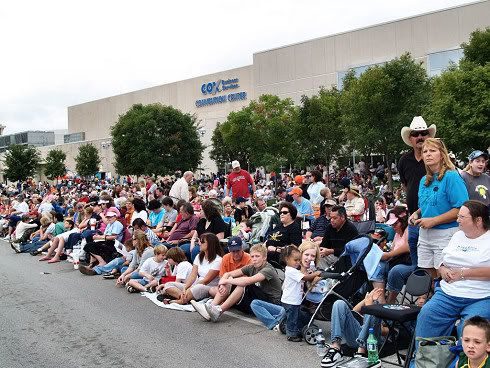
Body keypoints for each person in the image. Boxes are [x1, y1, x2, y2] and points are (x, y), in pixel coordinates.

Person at [414, 200, 490, 352]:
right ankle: (426, 361)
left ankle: (463, 363)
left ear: (478, 220)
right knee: (427, 315)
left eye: (462, 217)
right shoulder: (457, 236)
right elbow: (444, 261)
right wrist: (441, 269)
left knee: (469, 328)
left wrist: (464, 273)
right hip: (448, 293)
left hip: (480, 296)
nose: (457, 220)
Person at [408, 138, 469, 278]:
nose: (428, 154)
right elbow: (427, 204)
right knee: (428, 275)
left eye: (432, 151)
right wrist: (417, 213)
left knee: (444, 277)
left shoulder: (452, 177)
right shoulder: (424, 180)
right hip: (425, 234)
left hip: (446, 233)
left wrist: (434, 221)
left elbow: (462, 208)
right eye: (425, 151)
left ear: (442, 154)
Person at [192, 244, 282, 322]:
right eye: (252, 256)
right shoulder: (251, 267)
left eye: (257, 256)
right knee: (231, 278)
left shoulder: (268, 269)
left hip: (272, 304)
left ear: (264, 257)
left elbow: (248, 281)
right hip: (258, 300)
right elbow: (228, 274)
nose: (254, 259)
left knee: (241, 283)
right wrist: (223, 283)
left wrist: (227, 280)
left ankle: (218, 311)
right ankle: (212, 308)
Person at [398, 116, 436, 269]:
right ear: (410, 138)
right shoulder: (404, 160)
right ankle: (421, 291)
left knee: (434, 263)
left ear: (428, 135)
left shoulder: (435, 159)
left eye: (423, 133)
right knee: (417, 261)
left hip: (435, 218)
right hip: (414, 218)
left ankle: (433, 291)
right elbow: (406, 185)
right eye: (415, 134)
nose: (420, 137)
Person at [323, 288, 384, 367]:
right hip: (357, 335)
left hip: (372, 340)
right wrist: (367, 299)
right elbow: (354, 311)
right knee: (339, 303)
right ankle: (336, 348)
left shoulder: (392, 308)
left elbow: (384, 330)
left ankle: (361, 352)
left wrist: (370, 307)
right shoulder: (373, 299)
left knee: (374, 308)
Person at [160, 233, 223, 304]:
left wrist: (190, 288)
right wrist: (185, 288)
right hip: (196, 284)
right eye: (199, 241)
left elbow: (206, 281)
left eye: (202, 242)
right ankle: (184, 298)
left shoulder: (218, 260)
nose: (199, 243)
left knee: (197, 287)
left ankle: (177, 301)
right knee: (168, 285)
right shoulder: (199, 256)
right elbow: (193, 275)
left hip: (208, 287)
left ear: (210, 244)